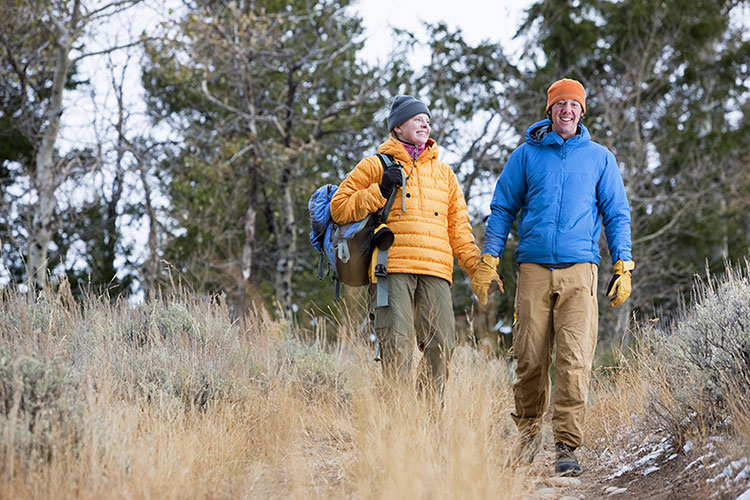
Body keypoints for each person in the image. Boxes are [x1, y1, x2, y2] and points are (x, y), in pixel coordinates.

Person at [471, 78, 634, 476]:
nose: (566, 111)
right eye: (559, 104)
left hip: (581, 270)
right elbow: (503, 207)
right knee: (528, 358)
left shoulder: (600, 158)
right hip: (534, 269)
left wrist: (623, 264)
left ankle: (566, 447)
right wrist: (489, 257)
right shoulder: (526, 156)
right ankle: (527, 437)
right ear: (549, 110)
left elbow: (616, 214)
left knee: (575, 360)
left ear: (582, 112)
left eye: (573, 105)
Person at [330, 95, 490, 402]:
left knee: (441, 346)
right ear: (397, 127)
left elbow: (459, 229)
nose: (425, 123)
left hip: (435, 271)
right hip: (391, 269)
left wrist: (475, 268)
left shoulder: (444, 174)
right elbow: (339, 209)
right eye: (417, 118)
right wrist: (380, 190)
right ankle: (400, 428)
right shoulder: (375, 165)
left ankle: (428, 428)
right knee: (397, 349)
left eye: (428, 120)